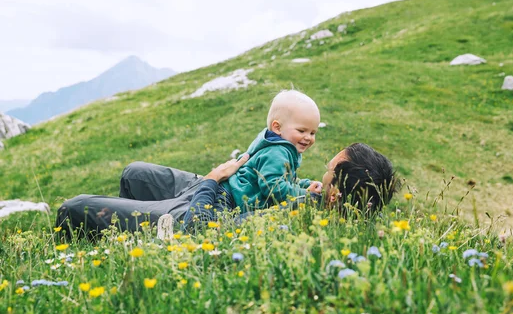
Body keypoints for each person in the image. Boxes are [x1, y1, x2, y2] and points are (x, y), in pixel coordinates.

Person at [56, 142, 396, 240]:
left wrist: (212, 179)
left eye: (329, 170)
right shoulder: (315, 201)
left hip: (200, 207)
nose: (322, 172)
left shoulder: (292, 221)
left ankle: (132, 246)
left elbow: (199, 230)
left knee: (74, 208)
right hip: (219, 192)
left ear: (337, 195)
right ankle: (124, 237)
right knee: (134, 173)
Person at [186, 90, 323, 221]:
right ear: (277, 128)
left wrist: (306, 184)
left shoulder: (284, 148)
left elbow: (283, 178)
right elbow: (273, 187)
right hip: (228, 198)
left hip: (233, 195)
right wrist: (305, 195)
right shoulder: (276, 151)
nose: (308, 138)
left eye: (312, 133)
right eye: (301, 131)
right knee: (212, 228)